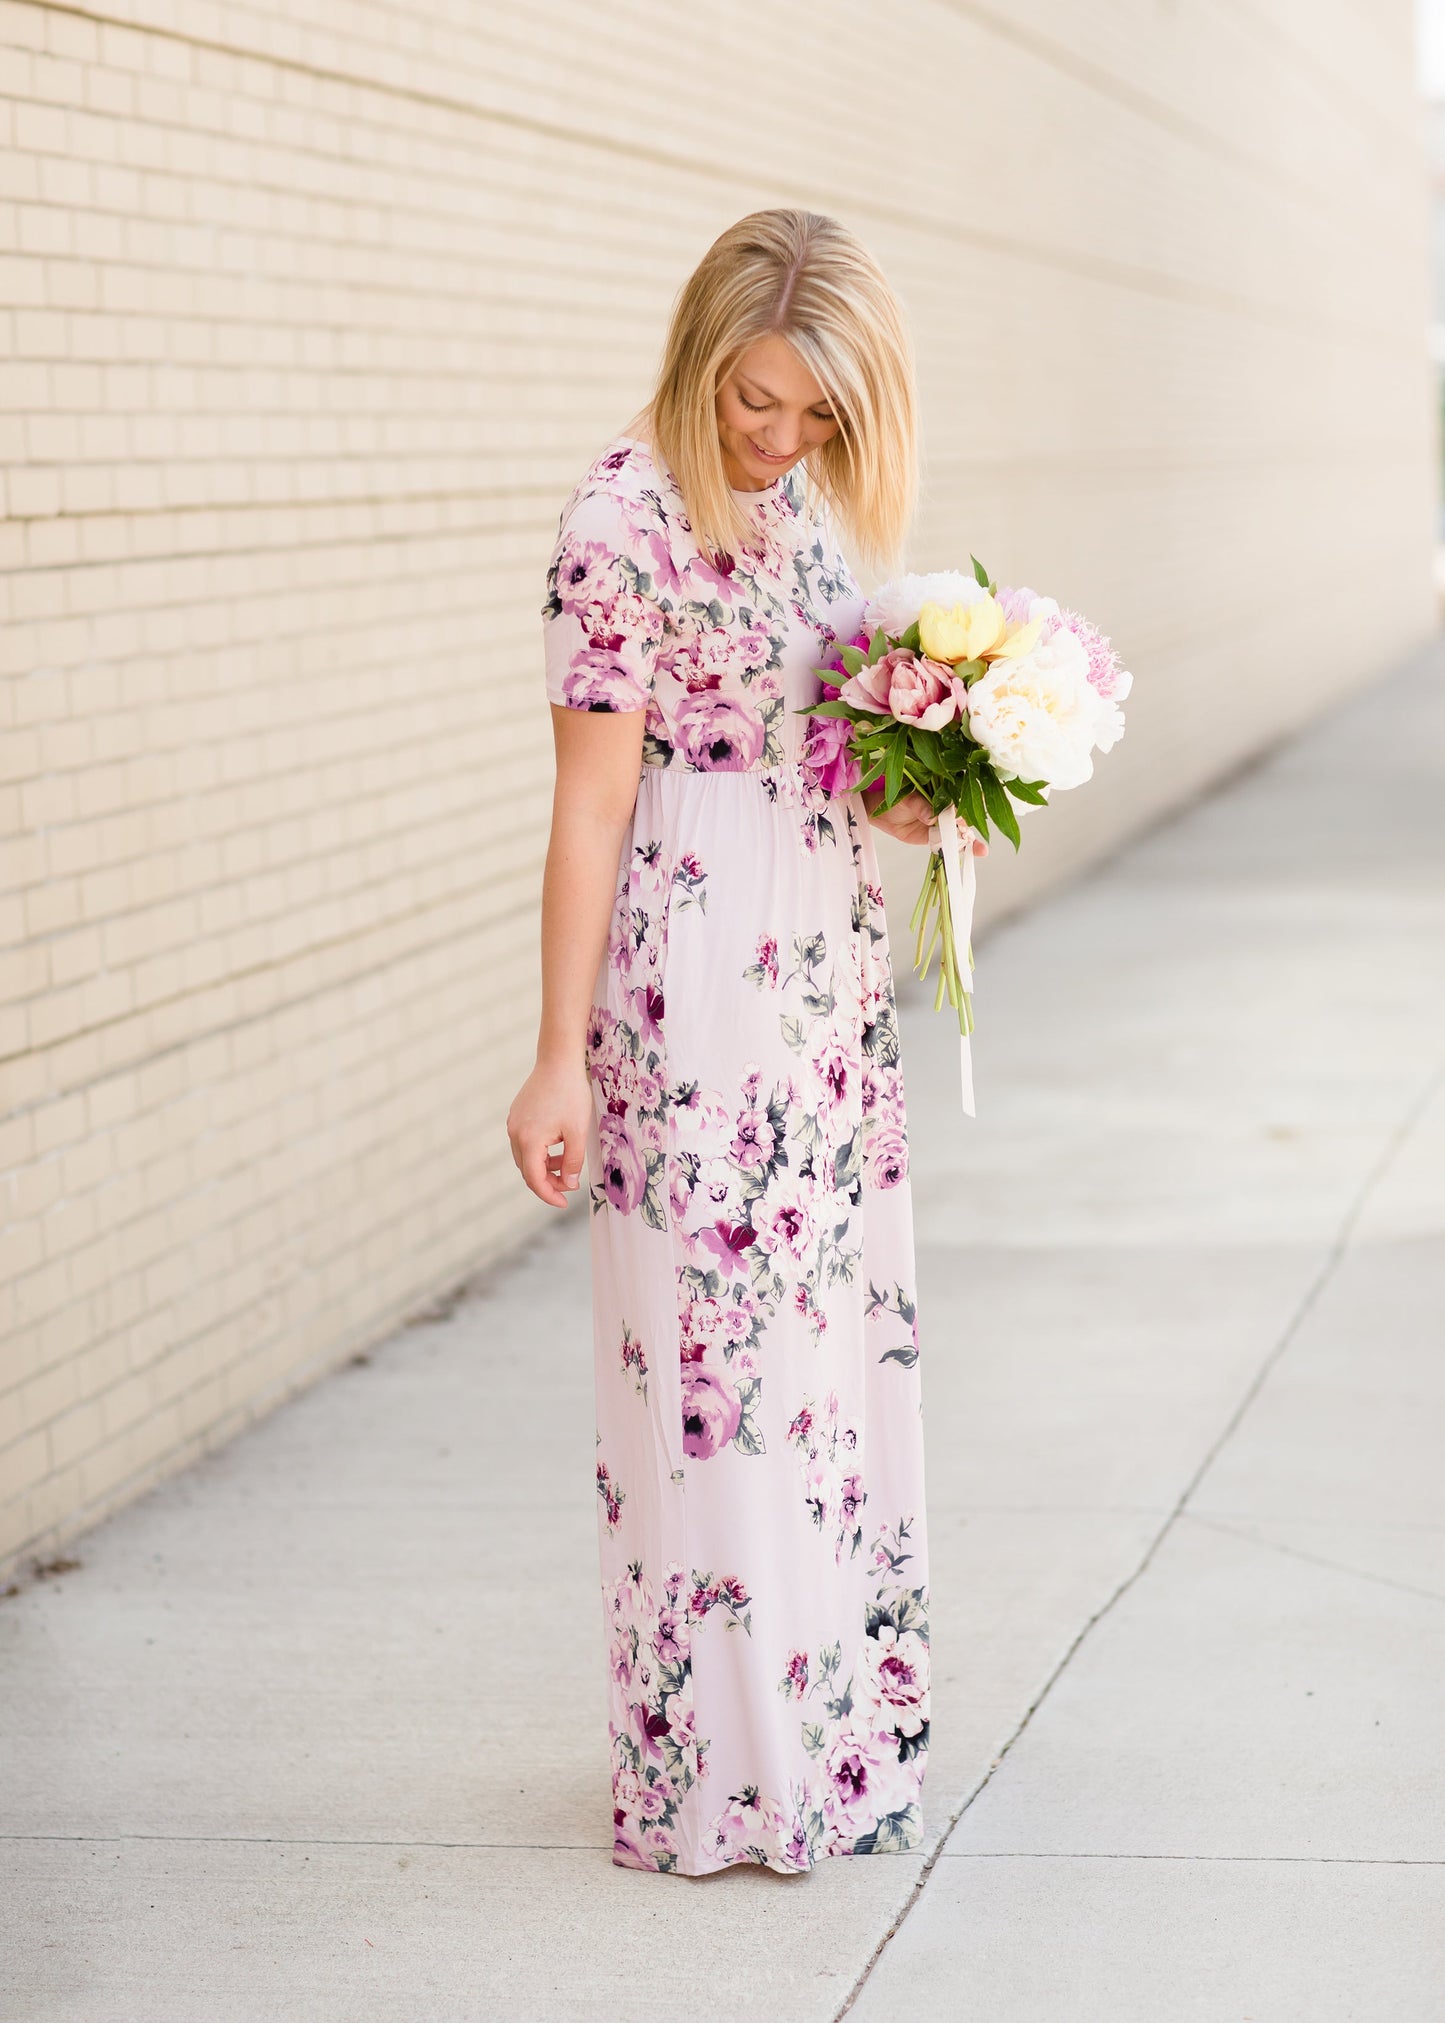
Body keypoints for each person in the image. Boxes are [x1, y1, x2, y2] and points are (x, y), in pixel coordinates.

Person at [506, 208, 981, 1877]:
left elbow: (836, 762)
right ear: (700, 353)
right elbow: (588, 808)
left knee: (821, 1364)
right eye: (753, 400)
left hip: (822, 987)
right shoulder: (616, 524)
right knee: (718, 1374)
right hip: (692, 979)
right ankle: (727, 1768)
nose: (775, 439)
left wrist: (942, 785)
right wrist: (555, 1052)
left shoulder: (806, 519)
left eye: (814, 416)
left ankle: (826, 1728)